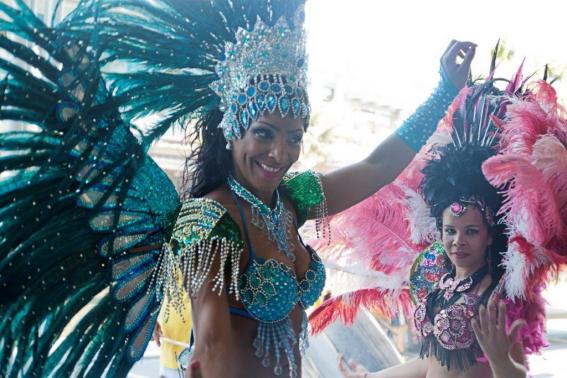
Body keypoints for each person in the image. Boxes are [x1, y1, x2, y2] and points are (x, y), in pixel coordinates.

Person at [0, 0, 473, 376]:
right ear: (232, 134)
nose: (279, 154)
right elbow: (211, 340)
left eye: (293, 138)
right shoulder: (208, 218)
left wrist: (443, 93)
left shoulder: (292, 201)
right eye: (263, 133)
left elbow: (376, 165)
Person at [332, 71, 564, 377]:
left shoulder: (497, 296)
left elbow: (518, 374)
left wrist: (501, 361)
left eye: (471, 231)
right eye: (450, 231)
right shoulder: (435, 280)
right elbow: (430, 364)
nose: (458, 241)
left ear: (489, 235)